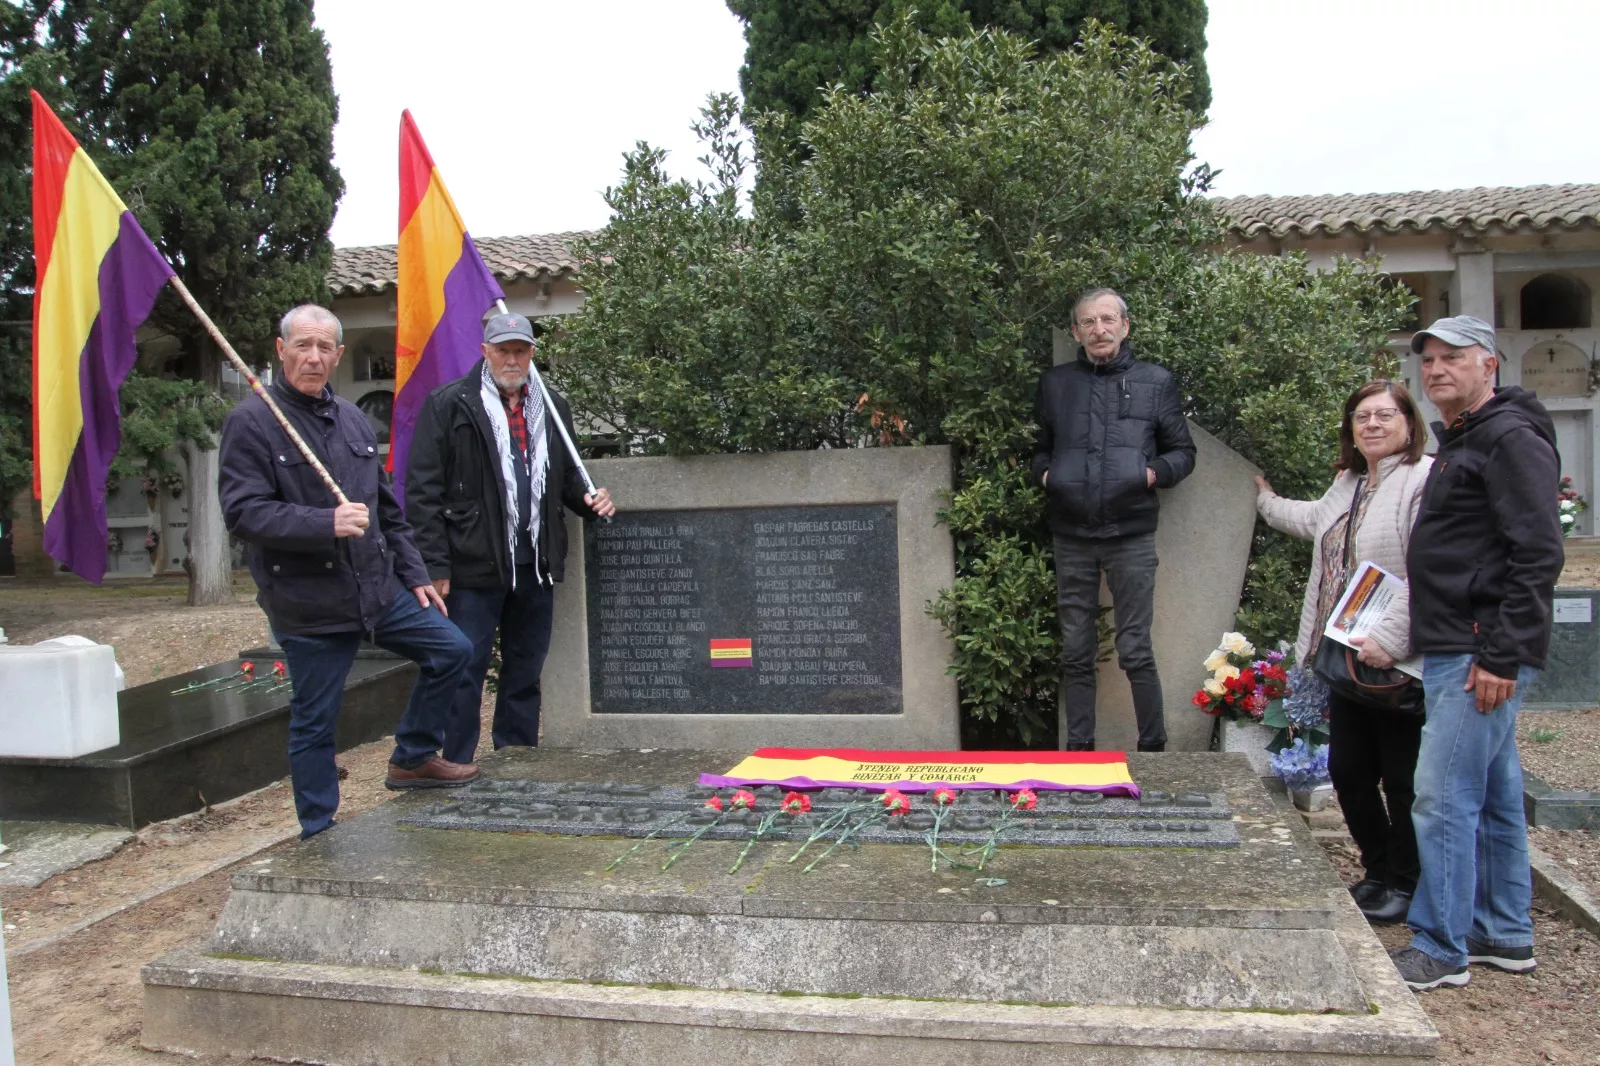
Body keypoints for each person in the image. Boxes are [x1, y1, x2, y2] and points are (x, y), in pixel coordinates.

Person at [219, 304, 478, 840]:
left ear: (338, 355)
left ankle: (411, 757)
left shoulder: (356, 420)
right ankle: (319, 828)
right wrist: (324, 521)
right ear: (281, 350)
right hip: (310, 601)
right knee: (316, 719)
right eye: (302, 346)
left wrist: (417, 573)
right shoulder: (253, 421)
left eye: (323, 349)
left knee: (452, 649)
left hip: (378, 590)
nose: (313, 358)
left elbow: (387, 512)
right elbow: (243, 512)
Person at [1384, 315, 1565, 991]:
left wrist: (1502, 653)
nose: (1435, 371)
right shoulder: (1467, 438)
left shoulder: (1510, 439)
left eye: (1451, 358)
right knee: (1491, 794)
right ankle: (1501, 931)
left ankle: (1439, 946)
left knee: (1440, 796)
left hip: (1477, 647)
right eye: (1427, 361)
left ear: (1489, 363)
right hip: (1462, 641)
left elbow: (1539, 552)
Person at [1254, 381, 1433, 925]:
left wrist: (1394, 640)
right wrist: (1260, 497)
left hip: (1396, 657)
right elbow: (1312, 522)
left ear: (1408, 421)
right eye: (1361, 417)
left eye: (1384, 415)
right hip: (1347, 651)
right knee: (1350, 769)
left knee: (1401, 778)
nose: (1372, 425)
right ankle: (1377, 871)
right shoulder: (1351, 481)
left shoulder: (1422, 480)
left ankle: (1407, 882)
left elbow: (1425, 568)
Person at [406, 312, 615, 762]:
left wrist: (591, 500)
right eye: (503, 350)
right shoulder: (449, 404)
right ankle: (455, 762)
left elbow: (565, 479)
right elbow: (422, 492)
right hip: (472, 564)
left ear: (532, 355)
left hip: (535, 563)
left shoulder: (553, 408)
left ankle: (516, 760)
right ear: (485, 352)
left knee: (525, 670)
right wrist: (434, 566)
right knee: (466, 668)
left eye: (520, 351)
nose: (512, 359)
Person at [1031, 288, 1197, 752]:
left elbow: (1183, 452)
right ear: (1075, 332)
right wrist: (1047, 476)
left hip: (1132, 535)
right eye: (1088, 322)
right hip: (1071, 534)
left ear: (1125, 326)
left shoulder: (1156, 381)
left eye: (1108, 319)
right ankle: (1079, 753)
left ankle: (1153, 751)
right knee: (1075, 652)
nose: (1098, 330)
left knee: (1135, 650)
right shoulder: (1055, 383)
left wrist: (1149, 474)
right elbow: (1041, 447)